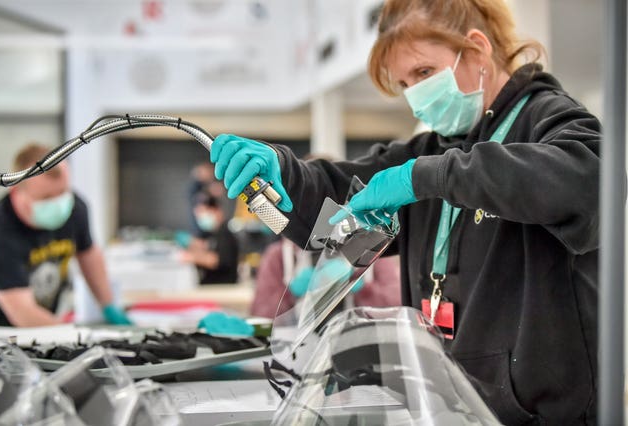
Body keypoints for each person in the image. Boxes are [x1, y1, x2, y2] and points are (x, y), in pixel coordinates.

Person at [208, 1, 600, 424]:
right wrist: (283, 175)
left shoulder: (546, 117)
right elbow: (338, 201)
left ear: (477, 50)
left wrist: (426, 178)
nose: (416, 99)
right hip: (450, 408)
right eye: (404, 84)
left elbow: (588, 182)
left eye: (424, 73)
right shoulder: (435, 147)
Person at [0, 144, 131, 327]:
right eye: (46, 197)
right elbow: (24, 315)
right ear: (16, 191)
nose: (58, 203)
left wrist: (108, 305)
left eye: (62, 192)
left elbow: (88, 254)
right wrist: (70, 335)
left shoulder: (74, 208)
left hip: (43, 319)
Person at [252, 237, 401, 318]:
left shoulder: (374, 252)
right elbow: (261, 313)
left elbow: (397, 308)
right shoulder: (279, 256)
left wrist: (361, 287)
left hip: (358, 340)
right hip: (296, 350)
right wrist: (290, 292)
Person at [176, 189, 239, 284]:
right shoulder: (212, 233)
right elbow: (206, 246)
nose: (201, 217)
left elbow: (219, 260)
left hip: (222, 288)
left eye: (203, 212)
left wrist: (191, 257)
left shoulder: (225, 233)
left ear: (216, 210)